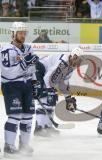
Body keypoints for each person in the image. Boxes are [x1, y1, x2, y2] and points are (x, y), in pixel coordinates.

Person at [0, 22, 39, 157]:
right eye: (20, 33)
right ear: (13, 34)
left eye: (24, 33)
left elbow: (32, 68)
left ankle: (24, 144)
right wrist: (24, 62)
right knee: (15, 116)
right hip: (12, 86)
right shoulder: (6, 50)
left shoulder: (28, 48)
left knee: (28, 116)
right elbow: (7, 73)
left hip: (27, 85)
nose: (23, 36)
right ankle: (8, 146)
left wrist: (35, 83)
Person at [34, 47, 83, 137]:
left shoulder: (70, 67)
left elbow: (63, 83)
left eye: (79, 60)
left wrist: (68, 98)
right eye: (77, 59)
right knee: (45, 98)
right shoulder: (63, 63)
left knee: (52, 100)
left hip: (45, 74)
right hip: (39, 70)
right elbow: (47, 77)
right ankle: (39, 127)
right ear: (73, 56)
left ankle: (48, 126)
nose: (77, 62)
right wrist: (49, 90)